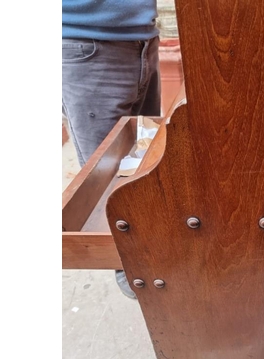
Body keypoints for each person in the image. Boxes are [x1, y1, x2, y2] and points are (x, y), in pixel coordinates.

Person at [62, 0, 161, 299]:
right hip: (86, 40)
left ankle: (152, 255)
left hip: (143, 37)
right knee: (107, 180)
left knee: (147, 156)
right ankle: (133, 273)